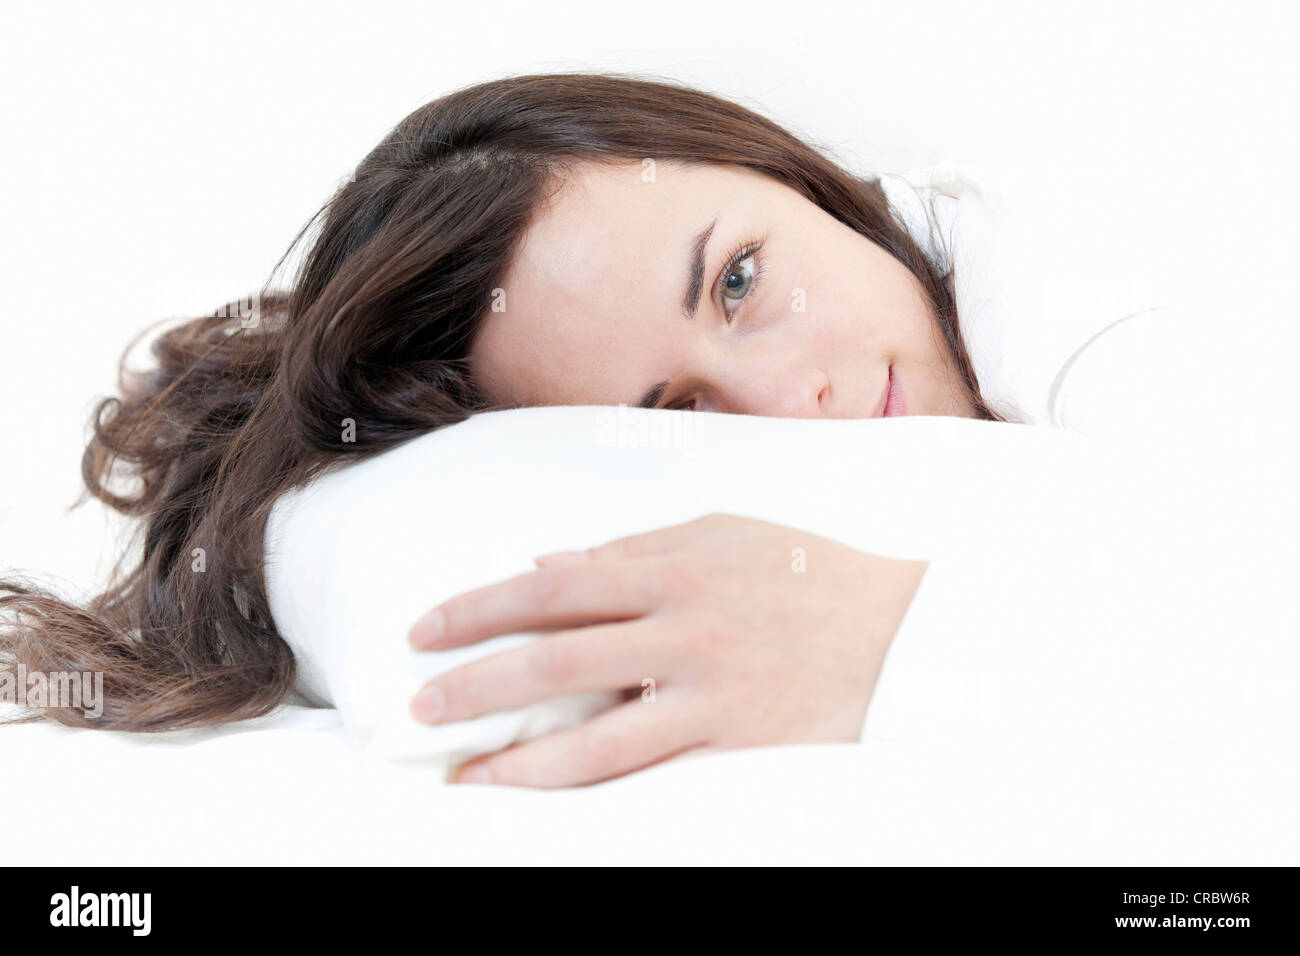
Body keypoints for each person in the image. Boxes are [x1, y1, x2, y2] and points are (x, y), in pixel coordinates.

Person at [0, 73, 1004, 784]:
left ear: (775, 169)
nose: (793, 402)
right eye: (682, 416)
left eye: (737, 280)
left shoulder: (1062, 277)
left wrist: (899, 635)